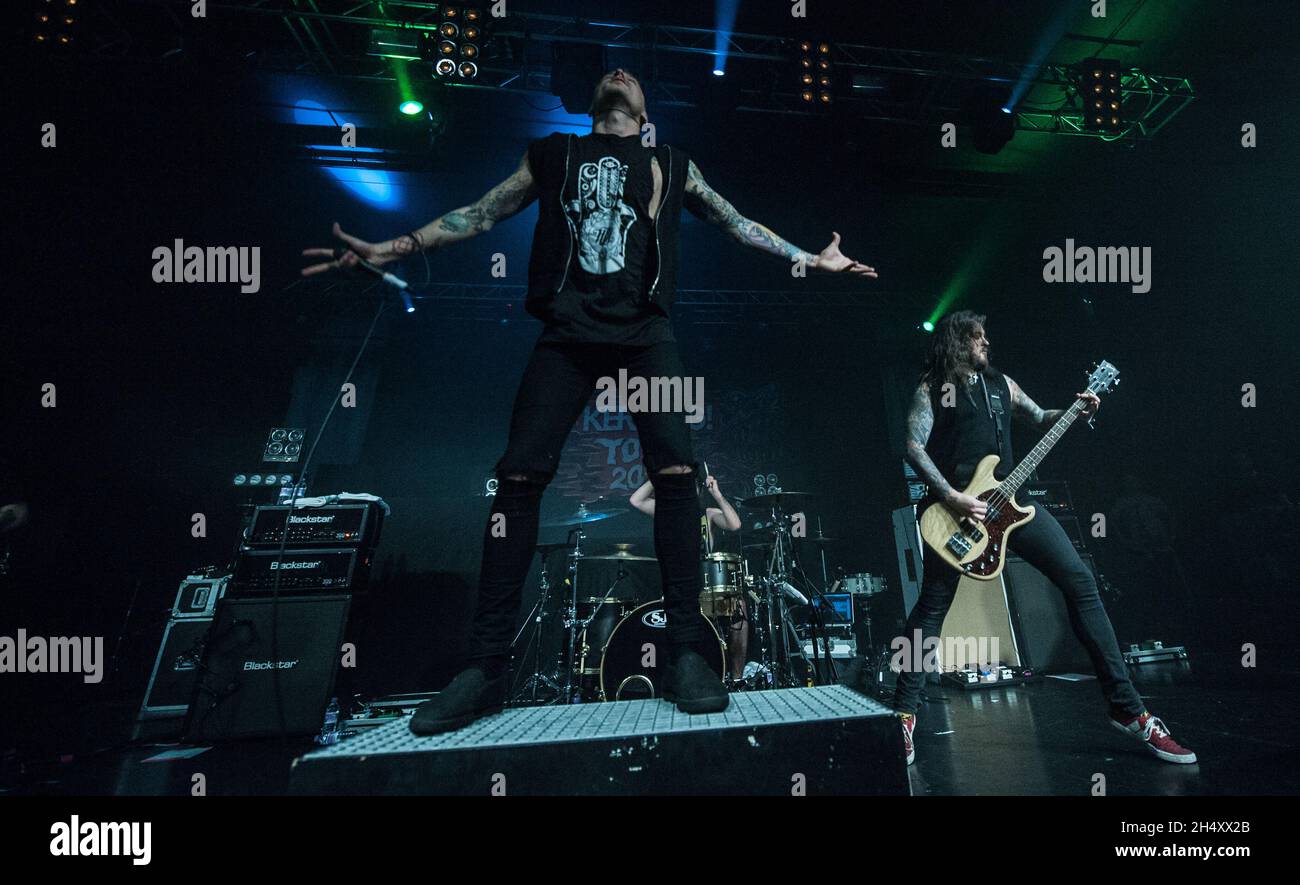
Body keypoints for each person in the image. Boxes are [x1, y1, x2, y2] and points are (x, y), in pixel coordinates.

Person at [303, 68, 876, 733]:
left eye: (632, 75)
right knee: (517, 476)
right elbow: (480, 212)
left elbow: (738, 223)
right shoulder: (552, 153)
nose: (620, 72)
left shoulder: (670, 162)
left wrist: (812, 257)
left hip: (645, 332)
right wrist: (392, 244)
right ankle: (485, 667)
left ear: (644, 108)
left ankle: (688, 653)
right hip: (567, 333)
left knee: (678, 473)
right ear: (597, 103)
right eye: (610, 72)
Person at [853, 310, 1195, 766]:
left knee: (1081, 581)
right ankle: (904, 713)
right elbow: (913, 446)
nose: (986, 343)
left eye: (986, 336)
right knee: (932, 608)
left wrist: (1077, 409)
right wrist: (953, 497)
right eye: (977, 338)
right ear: (957, 342)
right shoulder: (932, 388)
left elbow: (1040, 417)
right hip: (958, 516)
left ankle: (1128, 710)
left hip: (1014, 505)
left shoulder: (1003, 386)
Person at [630, 474, 749, 679]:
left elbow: (735, 524)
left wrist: (717, 495)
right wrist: (657, 476)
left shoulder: (708, 514)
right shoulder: (665, 511)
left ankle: (737, 677)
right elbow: (636, 500)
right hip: (679, 588)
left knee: (739, 608)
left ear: (698, 490)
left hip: (707, 589)